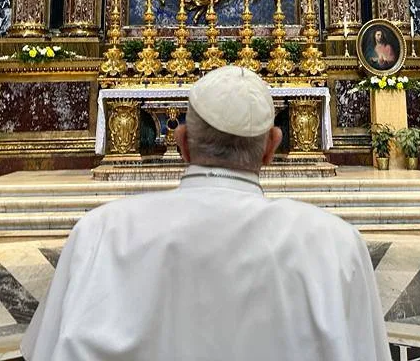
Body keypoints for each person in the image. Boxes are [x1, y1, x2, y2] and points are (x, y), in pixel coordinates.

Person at [22, 66, 389, 361]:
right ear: (270, 148)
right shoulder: (336, 246)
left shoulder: (99, 234)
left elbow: (44, 350)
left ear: (181, 143)